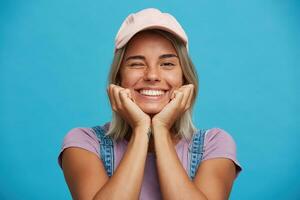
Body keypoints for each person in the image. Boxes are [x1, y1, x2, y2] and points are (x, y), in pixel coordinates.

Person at [58, 8, 242, 200]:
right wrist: (141, 129)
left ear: (185, 79)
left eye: (167, 64)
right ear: (119, 79)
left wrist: (161, 128)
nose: (152, 76)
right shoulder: (84, 144)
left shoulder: (214, 145)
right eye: (136, 63)